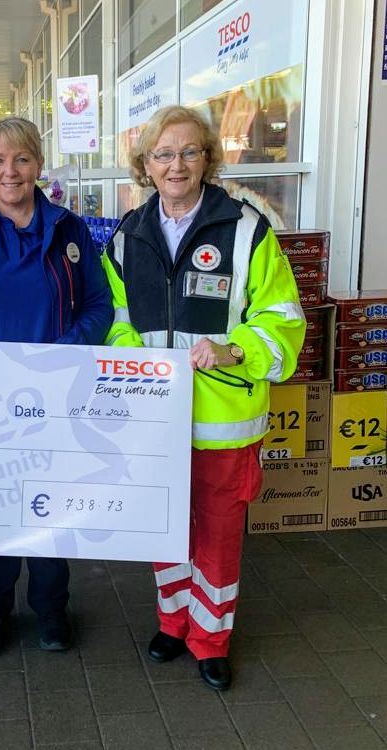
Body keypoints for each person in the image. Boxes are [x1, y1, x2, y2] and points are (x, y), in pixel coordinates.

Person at [102, 105, 304, 690]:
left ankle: (211, 637)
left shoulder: (247, 229)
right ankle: (173, 621)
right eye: (163, 154)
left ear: (208, 158)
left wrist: (234, 349)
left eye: (189, 151)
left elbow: (282, 319)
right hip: (156, 421)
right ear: (145, 164)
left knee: (216, 534)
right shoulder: (127, 235)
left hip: (224, 422)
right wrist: (132, 356)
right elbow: (114, 320)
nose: (176, 164)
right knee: (166, 528)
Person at [0, 117, 112, 656]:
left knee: (51, 502)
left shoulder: (69, 229)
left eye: (22, 159)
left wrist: (63, 356)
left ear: (38, 165)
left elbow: (99, 306)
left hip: (54, 394)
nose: (10, 171)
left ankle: (52, 609)